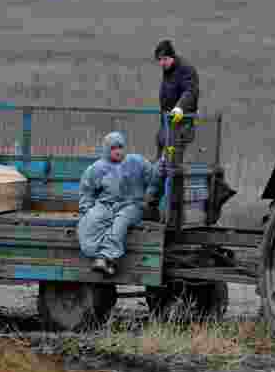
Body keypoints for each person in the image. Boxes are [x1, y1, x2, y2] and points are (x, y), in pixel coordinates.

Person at [78, 131, 159, 276]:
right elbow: (87, 190)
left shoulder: (136, 162)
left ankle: (104, 257)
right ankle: (102, 257)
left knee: (120, 222)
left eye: (120, 147)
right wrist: (87, 210)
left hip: (132, 205)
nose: (118, 151)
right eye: (113, 148)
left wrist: (160, 168)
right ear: (106, 150)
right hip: (107, 205)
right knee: (91, 221)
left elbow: (154, 177)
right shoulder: (97, 168)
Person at [148, 39, 199, 218]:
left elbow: (190, 92)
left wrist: (180, 107)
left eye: (163, 59)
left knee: (169, 167)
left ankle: (171, 213)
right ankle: (153, 207)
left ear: (171, 56)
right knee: (159, 164)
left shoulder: (186, 69)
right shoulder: (167, 70)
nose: (161, 64)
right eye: (159, 61)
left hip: (180, 125)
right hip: (167, 125)